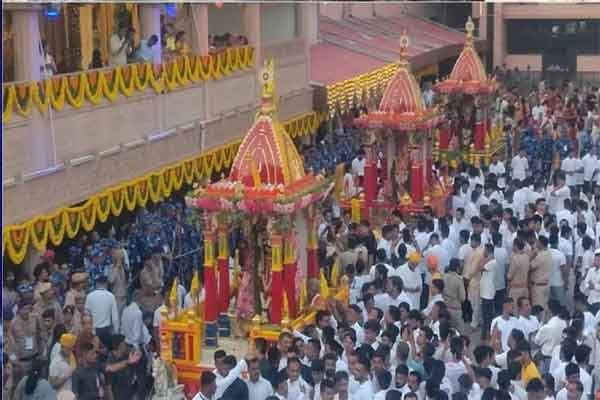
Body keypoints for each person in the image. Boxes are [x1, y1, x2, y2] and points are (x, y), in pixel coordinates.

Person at [85, 275, 119, 340]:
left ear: (97, 283)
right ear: (106, 284)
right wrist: (116, 331)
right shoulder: (111, 296)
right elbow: (115, 317)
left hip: (93, 329)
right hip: (106, 330)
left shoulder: (90, 296)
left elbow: (86, 314)